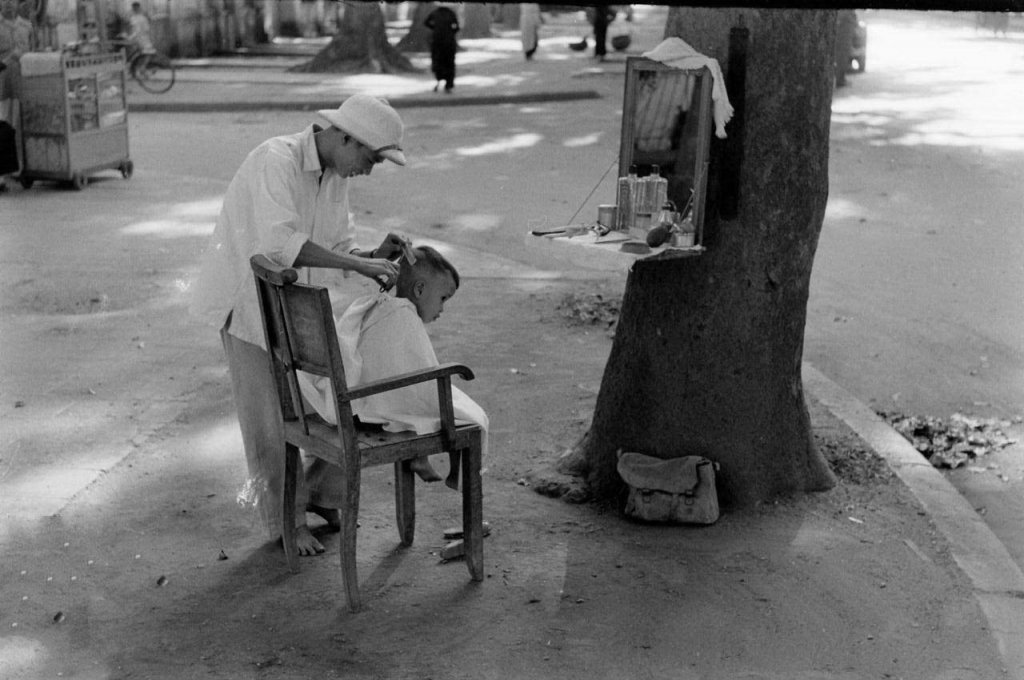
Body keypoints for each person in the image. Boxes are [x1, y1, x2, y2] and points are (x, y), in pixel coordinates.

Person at [190, 94, 409, 557]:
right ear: (346, 137)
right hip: (247, 303)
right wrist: (357, 262)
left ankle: (322, 497)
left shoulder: (334, 177)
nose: (367, 171)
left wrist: (373, 255)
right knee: (270, 422)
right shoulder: (277, 159)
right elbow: (279, 245)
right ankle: (284, 523)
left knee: (339, 403)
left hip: (295, 308)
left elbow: (338, 248)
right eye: (369, 159)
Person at [297, 245, 489, 489]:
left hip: (352, 399)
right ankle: (441, 467)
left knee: (440, 399)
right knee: (471, 417)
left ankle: (427, 460)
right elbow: (422, 379)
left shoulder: (381, 305)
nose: (442, 309)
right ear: (419, 289)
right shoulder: (403, 316)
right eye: (443, 299)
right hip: (365, 405)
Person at [424, 5, 459, 94]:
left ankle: (438, 81)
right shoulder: (451, 13)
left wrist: (435, 28)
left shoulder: (435, 13)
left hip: (437, 42)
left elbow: (426, 22)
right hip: (449, 42)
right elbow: (457, 27)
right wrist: (451, 31)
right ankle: (449, 84)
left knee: (438, 62)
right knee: (449, 63)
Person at [126, 1, 156, 73]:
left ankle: (134, 68)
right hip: (142, 39)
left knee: (141, 53)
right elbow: (145, 29)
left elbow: (134, 30)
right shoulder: (141, 18)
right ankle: (141, 68)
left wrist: (130, 37)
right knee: (148, 53)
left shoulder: (133, 18)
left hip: (138, 38)